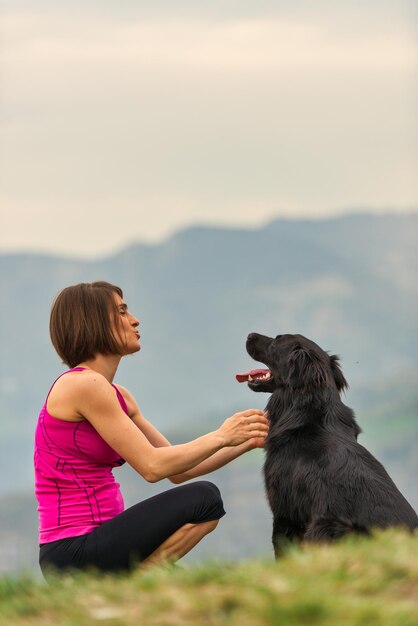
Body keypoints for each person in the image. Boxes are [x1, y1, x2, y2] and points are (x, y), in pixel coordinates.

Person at [35, 281, 268, 577]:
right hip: (73, 550)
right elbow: (152, 467)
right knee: (205, 499)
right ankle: (134, 583)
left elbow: (177, 469)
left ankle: (137, 581)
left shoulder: (117, 394)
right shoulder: (83, 385)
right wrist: (222, 435)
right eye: (121, 311)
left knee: (204, 504)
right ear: (94, 322)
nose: (134, 319)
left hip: (100, 540)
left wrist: (247, 438)